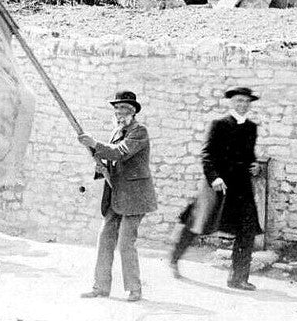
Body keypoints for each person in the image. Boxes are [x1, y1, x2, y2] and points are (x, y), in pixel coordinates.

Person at [170, 87, 263, 291]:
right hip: (217, 184)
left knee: (247, 229)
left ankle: (238, 278)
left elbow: (250, 156)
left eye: (246, 101)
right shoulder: (219, 124)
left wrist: (256, 166)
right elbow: (207, 154)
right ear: (231, 102)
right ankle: (174, 258)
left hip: (241, 186)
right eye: (239, 101)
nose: (243, 105)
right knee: (198, 223)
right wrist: (214, 178)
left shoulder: (251, 128)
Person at [78, 90, 157, 302]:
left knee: (125, 243)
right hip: (116, 194)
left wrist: (94, 144)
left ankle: (134, 289)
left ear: (132, 112)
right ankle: (100, 287)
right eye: (117, 109)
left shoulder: (139, 132)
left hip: (135, 197)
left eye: (123, 109)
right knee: (104, 239)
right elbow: (111, 158)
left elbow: (120, 152)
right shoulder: (116, 131)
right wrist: (101, 166)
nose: (119, 113)